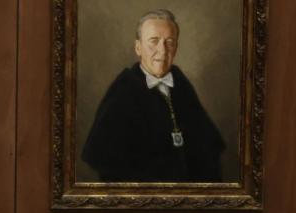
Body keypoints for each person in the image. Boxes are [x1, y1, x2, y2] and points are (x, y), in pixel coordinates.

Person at [82, 9, 225, 182]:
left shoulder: (181, 83)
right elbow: (105, 160)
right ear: (138, 47)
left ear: (176, 48)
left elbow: (209, 148)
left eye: (169, 42)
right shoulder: (123, 90)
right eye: (154, 41)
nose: (163, 50)